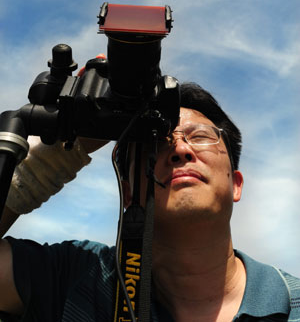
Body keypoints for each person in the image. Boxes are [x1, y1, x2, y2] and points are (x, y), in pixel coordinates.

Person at [0, 82, 299, 322]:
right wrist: (58, 155)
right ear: (128, 193)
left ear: (236, 184)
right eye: (157, 142)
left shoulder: (292, 304)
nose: (181, 149)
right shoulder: (80, 279)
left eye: (201, 136)